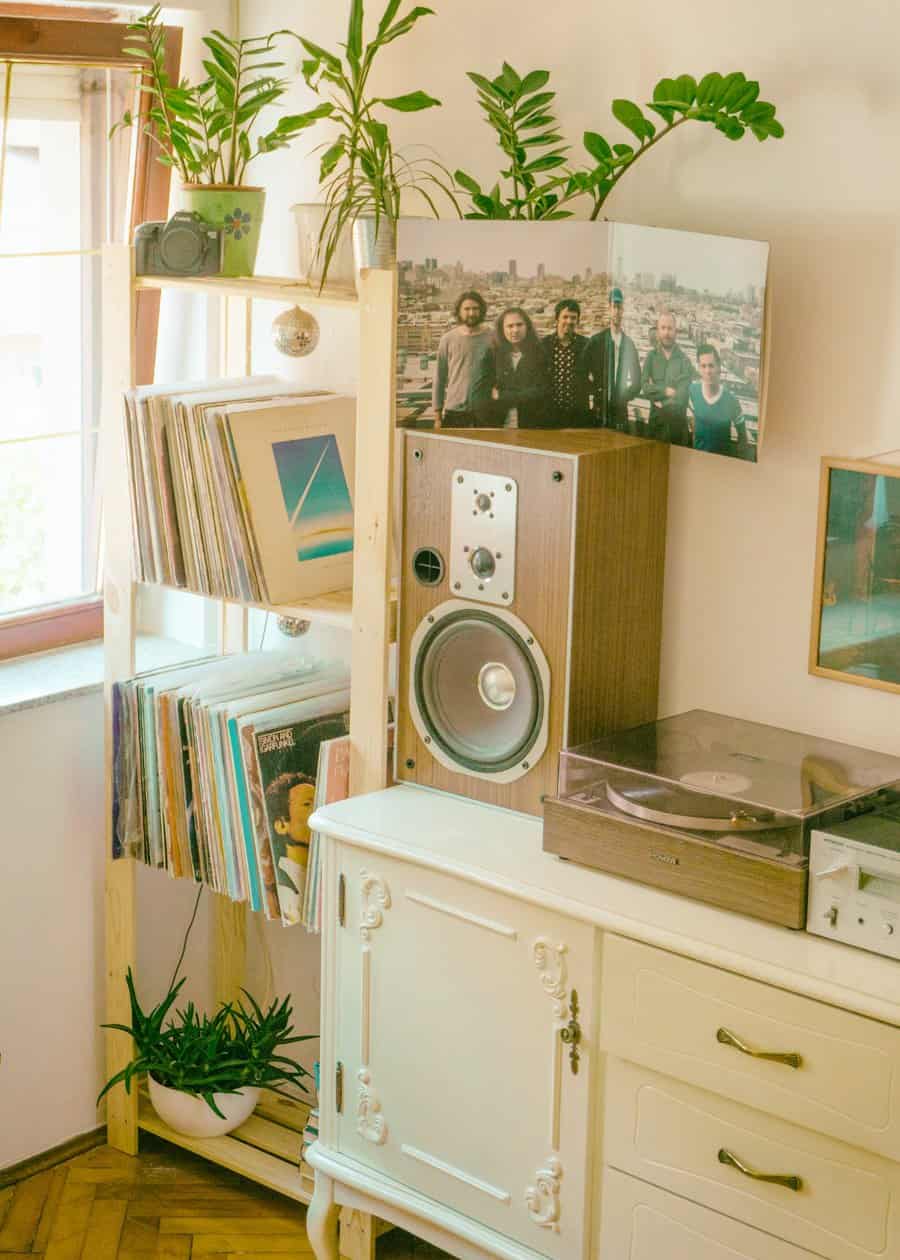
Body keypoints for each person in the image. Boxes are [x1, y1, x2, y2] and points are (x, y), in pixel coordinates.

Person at [432, 290, 495, 427]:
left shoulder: (493, 337)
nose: (471, 313)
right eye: (467, 309)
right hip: (454, 412)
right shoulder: (447, 339)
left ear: (482, 311)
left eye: (475, 309)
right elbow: (439, 378)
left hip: (485, 412)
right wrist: (437, 416)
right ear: (459, 311)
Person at [587, 287, 642, 432]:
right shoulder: (596, 341)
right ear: (608, 309)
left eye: (619, 307)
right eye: (613, 307)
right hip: (599, 410)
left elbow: (637, 382)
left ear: (623, 310)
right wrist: (597, 390)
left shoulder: (629, 345)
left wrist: (624, 396)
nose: (616, 312)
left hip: (619, 413)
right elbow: (582, 371)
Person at [688, 343, 752, 459]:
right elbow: (693, 422)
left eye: (711, 366)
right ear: (699, 368)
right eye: (703, 366)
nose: (708, 371)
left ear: (719, 367)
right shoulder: (693, 391)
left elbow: (743, 439)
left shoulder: (731, 401)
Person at [641, 311, 695, 446]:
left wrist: (661, 403)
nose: (666, 333)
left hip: (677, 431)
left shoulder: (684, 361)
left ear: (676, 331)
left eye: (670, 328)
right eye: (663, 328)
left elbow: (681, 396)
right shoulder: (651, 358)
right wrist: (666, 391)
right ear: (658, 331)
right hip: (655, 428)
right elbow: (645, 387)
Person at [491, 306, 549, 428]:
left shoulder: (539, 354)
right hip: (500, 423)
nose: (515, 330)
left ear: (527, 327)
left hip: (531, 424)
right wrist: (523, 394)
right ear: (502, 329)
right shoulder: (494, 355)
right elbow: (489, 392)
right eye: (510, 326)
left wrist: (503, 395)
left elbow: (540, 391)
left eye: (519, 325)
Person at [541, 298, 592, 427]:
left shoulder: (586, 345)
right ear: (557, 318)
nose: (569, 321)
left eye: (573, 318)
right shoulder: (544, 345)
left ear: (578, 321)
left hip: (577, 415)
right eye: (565, 317)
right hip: (549, 413)